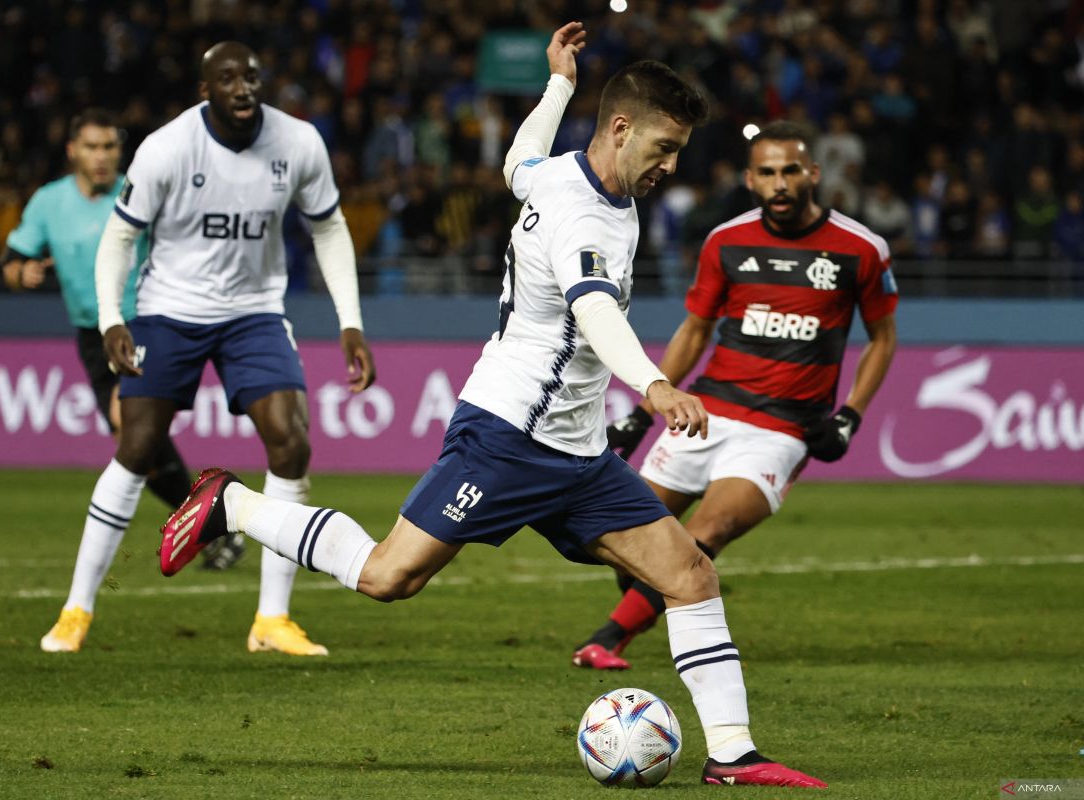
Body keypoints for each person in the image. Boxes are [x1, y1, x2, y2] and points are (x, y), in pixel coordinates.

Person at [158, 25, 825, 789]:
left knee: (690, 575)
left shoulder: (565, 177)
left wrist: (557, 85)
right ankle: (232, 504)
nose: (671, 166)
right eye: (664, 146)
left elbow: (516, 165)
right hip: (507, 438)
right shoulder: (586, 216)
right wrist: (654, 383)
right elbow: (597, 311)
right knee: (387, 578)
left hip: (578, 455)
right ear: (621, 129)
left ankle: (734, 755)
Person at [43, 43, 376, 656]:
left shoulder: (298, 142)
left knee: (292, 441)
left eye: (252, 75)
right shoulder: (167, 148)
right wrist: (113, 317)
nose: (243, 87)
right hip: (170, 309)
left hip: (253, 313)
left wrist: (350, 321)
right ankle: (76, 609)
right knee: (137, 446)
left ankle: (271, 620)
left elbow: (328, 226)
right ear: (206, 90)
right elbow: (120, 236)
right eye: (227, 79)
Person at [573, 119, 898, 671]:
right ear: (750, 178)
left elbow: (883, 340)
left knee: (708, 531)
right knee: (620, 533)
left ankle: (607, 639)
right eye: (767, 172)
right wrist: (643, 412)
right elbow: (695, 330)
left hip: (783, 428)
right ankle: (646, 600)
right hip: (707, 409)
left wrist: (849, 417)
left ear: (812, 174)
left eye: (790, 171)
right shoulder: (726, 240)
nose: (779, 183)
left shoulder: (861, 249)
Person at [12, 110, 249, 654]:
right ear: (72, 149)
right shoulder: (48, 202)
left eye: (109, 147)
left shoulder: (141, 189)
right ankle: (209, 520)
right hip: (92, 335)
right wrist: (19, 274)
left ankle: (201, 524)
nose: (101, 156)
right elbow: (14, 258)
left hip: (143, 323)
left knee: (130, 428)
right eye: (91, 146)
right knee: (137, 446)